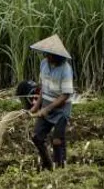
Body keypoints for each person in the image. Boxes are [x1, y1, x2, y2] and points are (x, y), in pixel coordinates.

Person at [28, 34, 74, 170]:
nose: (47, 57)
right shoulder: (43, 64)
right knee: (37, 137)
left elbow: (65, 95)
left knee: (57, 140)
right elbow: (43, 87)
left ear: (57, 56)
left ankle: (60, 167)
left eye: (50, 55)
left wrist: (47, 109)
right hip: (46, 104)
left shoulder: (66, 69)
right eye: (46, 54)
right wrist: (36, 106)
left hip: (61, 109)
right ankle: (47, 163)